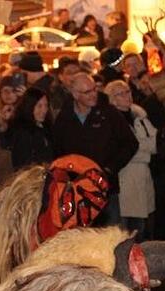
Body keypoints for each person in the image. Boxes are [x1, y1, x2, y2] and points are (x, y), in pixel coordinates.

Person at [51, 72, 138, 225]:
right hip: (77, 191)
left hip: (106, 189)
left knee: (110, 238)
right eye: (87, 92)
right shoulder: (64, 118)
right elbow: (58, 151)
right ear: (75, 94)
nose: (93, 95)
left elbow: (130, 143)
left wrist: (110, 168)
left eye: (94, 90)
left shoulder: (109, 113)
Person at [104, 80, 157, 237]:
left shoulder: (139, 115)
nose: (127, 96)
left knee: (142, 226)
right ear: (112, 98)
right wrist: (141, 151)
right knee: (126, 228)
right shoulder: (111, 119)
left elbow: (153, 143)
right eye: (121, 93)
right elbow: (126, 149)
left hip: (142, 176)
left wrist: (141, 150)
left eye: (128, 92)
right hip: (126, 176)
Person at [5, 87, 53, 168]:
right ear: (29, 106)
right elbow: (22, 164)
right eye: (39, 106)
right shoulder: (22, 131)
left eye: (46, 105)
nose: (44, 110)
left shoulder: (46, 128)